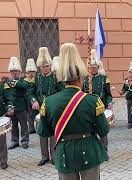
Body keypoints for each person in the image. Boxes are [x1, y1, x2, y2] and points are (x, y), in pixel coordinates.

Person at [37, 43, 108, 180]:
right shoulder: (93, 101)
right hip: (89, 152)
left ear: (64, 80)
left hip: (64, 155)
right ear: (81, 79)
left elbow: (43, 132)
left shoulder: (49, 102)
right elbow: (103, 130)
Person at [29, 47, 65, 166]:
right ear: (40, 67)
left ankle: (54, 157)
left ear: (50, 66)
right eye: (42, 66)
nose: (44, 68)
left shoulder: (56, 77)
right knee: (42, 133)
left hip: (53, 109)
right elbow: (30, 92)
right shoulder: (37, 78)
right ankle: (44, 157)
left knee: (53, 134)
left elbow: (62, 92)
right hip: (40, 110)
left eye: (46, 66)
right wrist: (34, 101)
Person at [83, 49, 112, 160]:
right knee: (90, 132)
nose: (93, 69)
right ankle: (93, 153)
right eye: (91, 67)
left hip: (101, 108)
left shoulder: (104, 79)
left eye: (94, 67)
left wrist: (109, 102)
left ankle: (104, 152)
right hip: (88, 109)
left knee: (103, 131)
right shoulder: (85, 79)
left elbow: (108, 94)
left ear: (98, 67)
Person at [7, 57, 30, 150]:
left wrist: (15, 82)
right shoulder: (7, 81)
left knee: (24, 124)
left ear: (19, 71)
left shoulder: (23, 80)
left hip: (21, 106)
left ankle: (25, 141)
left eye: (15, 70)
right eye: (12, 71)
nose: (14, 72)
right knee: (13, 125)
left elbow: (25, 86)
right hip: (11, 107)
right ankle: (14, 141)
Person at [0, 79, 15, 169]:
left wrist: (10, 106)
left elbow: (9, 98)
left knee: (1, 141)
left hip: (1, 117)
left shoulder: (2, 85)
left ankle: (3, 161)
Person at [25, 58, 38, 134]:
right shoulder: (24, 81)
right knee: (29, 114)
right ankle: (31, 128)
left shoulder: (37, 80)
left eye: (33, 72)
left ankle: (37, 127)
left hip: (35, 99)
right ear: (27, 72)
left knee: (35, 114)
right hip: (26, 100)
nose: (31, 73)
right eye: (29, 72)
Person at [121, 62, 132, 130]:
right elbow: (123, 90)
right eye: (130, 72)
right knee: (129, 110)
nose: (131, 73)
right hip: (129, 98)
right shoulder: (126, 80)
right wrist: (120, 91)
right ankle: (130, 122)